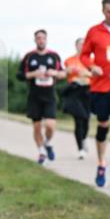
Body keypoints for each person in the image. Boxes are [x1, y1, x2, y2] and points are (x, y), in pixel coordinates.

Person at [81, 0, 110, 187]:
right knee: (103, 124)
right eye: (108, 11)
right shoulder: (94, 31)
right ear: (103, 11)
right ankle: (101, 163)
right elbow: (84, 55)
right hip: (100, 85)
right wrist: (92, 66)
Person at [17, 29, 65, 164]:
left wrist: (53, 73)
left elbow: (62, 74)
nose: (41, 40)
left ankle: (47, 143)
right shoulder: (29, 57)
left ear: (46, 39)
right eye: (38, 38)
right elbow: (19, 75)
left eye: (43, 38)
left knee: (50, 125)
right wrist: (33, 74)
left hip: (49, 96)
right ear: (35, 40)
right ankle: (41, 152)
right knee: (37, 126)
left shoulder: (54, 56)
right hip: (34, 96)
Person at [63, 38, 93, 158]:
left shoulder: (91, 60)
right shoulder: (69, 60)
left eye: (84, 44)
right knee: (79, 119)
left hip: (87, 90)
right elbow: (64, 73)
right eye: (80, 44)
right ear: (76, 46)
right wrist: (67, 71)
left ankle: (84, 138)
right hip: (74, 90)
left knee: (86, 118)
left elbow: (96, 74)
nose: (82, 46)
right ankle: (80, 148)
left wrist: (86, 73)